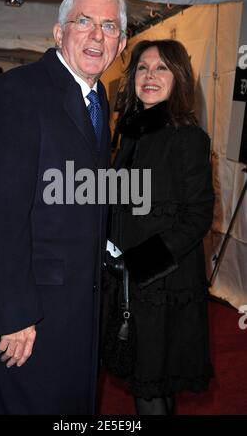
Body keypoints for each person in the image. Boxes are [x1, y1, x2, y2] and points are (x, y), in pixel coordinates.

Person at [0, 0, 127, 415]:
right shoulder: (20, 91)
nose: (97, 35)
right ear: (59, 33)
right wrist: (14, 313)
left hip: (77, 307)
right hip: (29, 314)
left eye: (109, 26)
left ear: (122, 42)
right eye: (85, 21)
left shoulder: (95, 100)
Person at [105, 40, 214, 415]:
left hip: (163, 280)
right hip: (128, 278)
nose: (150, 76)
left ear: (179, 77)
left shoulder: (187, 137)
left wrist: (138, 263)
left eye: (162, 68)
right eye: (142, 68)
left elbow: (199, 215)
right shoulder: (131, 133)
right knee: (151, 381)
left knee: (151, 385)